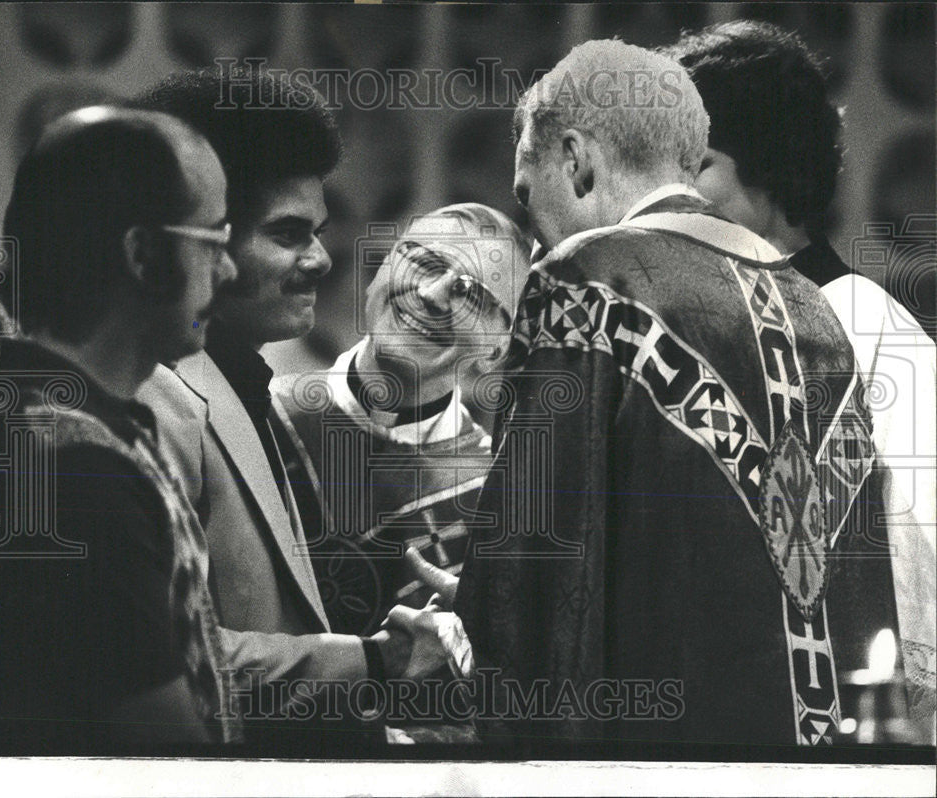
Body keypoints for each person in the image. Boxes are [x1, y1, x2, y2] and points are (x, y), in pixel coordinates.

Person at [429, 39, 903, 749]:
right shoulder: (816, 308)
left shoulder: (588, 275)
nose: (533, 238)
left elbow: (532, 577)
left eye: (529, 199)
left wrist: (462, 645)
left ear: (577, 160)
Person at [134, 69, 443, 744]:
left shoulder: (250, 390)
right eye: (288, 233)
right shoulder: (150, 403)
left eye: (319, 231)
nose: (321, 259)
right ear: (204, 241)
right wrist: (374, 663)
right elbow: (161, 670)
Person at [0, 106, 241, 753]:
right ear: (144, 254)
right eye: (215, 242)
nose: (230, 271)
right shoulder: (72, 472)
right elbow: (166, 770)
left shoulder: (50, 434)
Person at [670, 21, 936, 743]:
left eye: (696, 165)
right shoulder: (693, 335)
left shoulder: (865, 328)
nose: (670, 201)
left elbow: (924, 549)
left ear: (771, 167)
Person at [271, 203, 529, 637]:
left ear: (496, 349)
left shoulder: (496, 498)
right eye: (422, 262)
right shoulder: (261, 415)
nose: (431, 294)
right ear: (383, 268)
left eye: (472, 294)